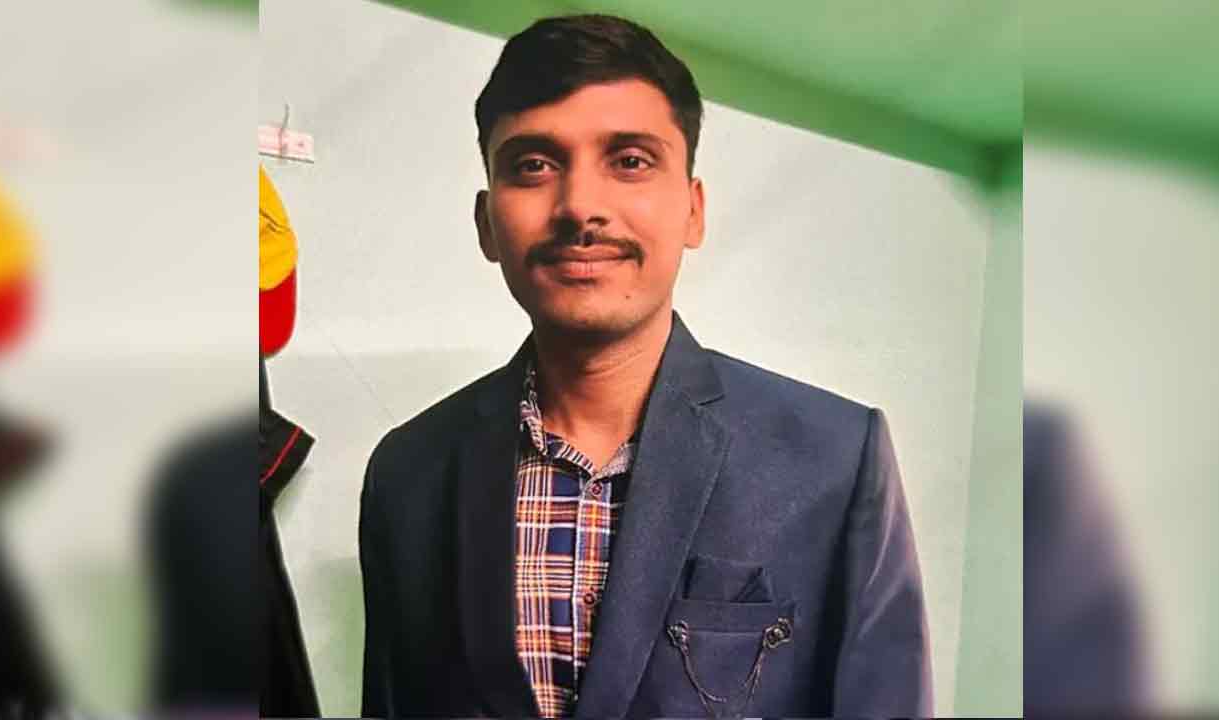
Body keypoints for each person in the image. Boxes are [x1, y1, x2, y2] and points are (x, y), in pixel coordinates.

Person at [359, 14, 930, 718]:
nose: (580, 207)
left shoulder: (834, 458)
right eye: (533, 164)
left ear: (692, 210)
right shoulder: (408, 473)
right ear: (486, 223)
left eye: (629, 160)